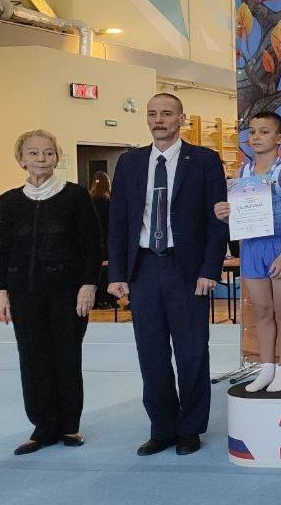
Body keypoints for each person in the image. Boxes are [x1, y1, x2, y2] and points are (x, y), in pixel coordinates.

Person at [107, 93, 228, 456]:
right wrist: (117, 272)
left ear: (181, 118)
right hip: (143, 268)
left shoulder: (204, 160)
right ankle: (162, 428)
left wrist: (210, 268)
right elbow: (118, 221)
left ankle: (189, 428)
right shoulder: (129, 162)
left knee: (192, 352)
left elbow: (217, 219)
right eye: (152, 114)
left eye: (166, 113)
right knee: (151, 353)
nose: (158, 119)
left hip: (187, 270)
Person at [0, 130, 101, 455]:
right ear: (21, 159)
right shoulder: (9, 201)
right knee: (32, 360)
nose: (41, 158)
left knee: (66, 358)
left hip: (68, 294)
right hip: (24, 293)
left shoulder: (75, 196)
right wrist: (1, 290)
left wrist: (89, 284)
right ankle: (43, 427)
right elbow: (6, 250)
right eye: (33, 153)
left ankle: (69, 426)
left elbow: (93, 245)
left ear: (57, 157)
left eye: (48, 152)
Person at [214, 112, 281, 392]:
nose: (256, 137)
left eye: (264, 132)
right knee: (262, 310)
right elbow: (239, 217)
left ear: (279, 138)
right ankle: (267, 368)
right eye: (252, 132)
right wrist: (224, 215)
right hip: (252, 247)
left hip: (279, 245)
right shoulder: (242, 173)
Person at [89, 171, 114, 309]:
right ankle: (106, 299)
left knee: (94, 268)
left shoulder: (88, 201)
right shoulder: (109, 202)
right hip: (107, 239)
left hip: (92, 240)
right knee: (106, 268)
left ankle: (94, 299)